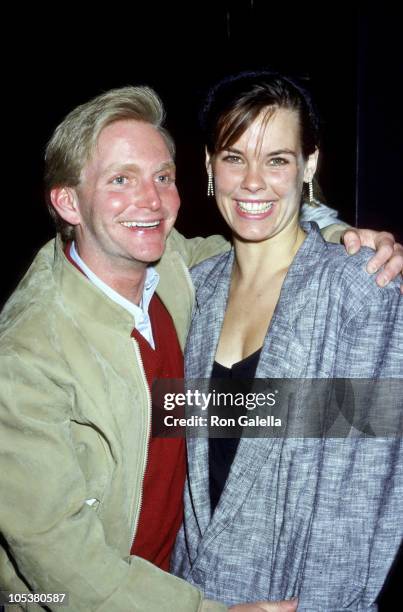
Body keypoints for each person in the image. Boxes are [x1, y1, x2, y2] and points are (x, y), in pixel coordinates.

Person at [0, 84, 400, 612]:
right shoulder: (29, 352)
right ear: (68, 201)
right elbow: (58, 559)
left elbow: (361, 487)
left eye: (162, 176)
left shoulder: (179, 273)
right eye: (121, 179)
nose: (151, 200)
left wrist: (341, 233)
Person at [172, 72, 403, 611]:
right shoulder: (193, 292)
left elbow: (366, 489)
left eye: (276, 159)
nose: (253, 182)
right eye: (234, 157)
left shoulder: (358, 290)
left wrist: (324, 608)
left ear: (309, 166)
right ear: (209, 167)